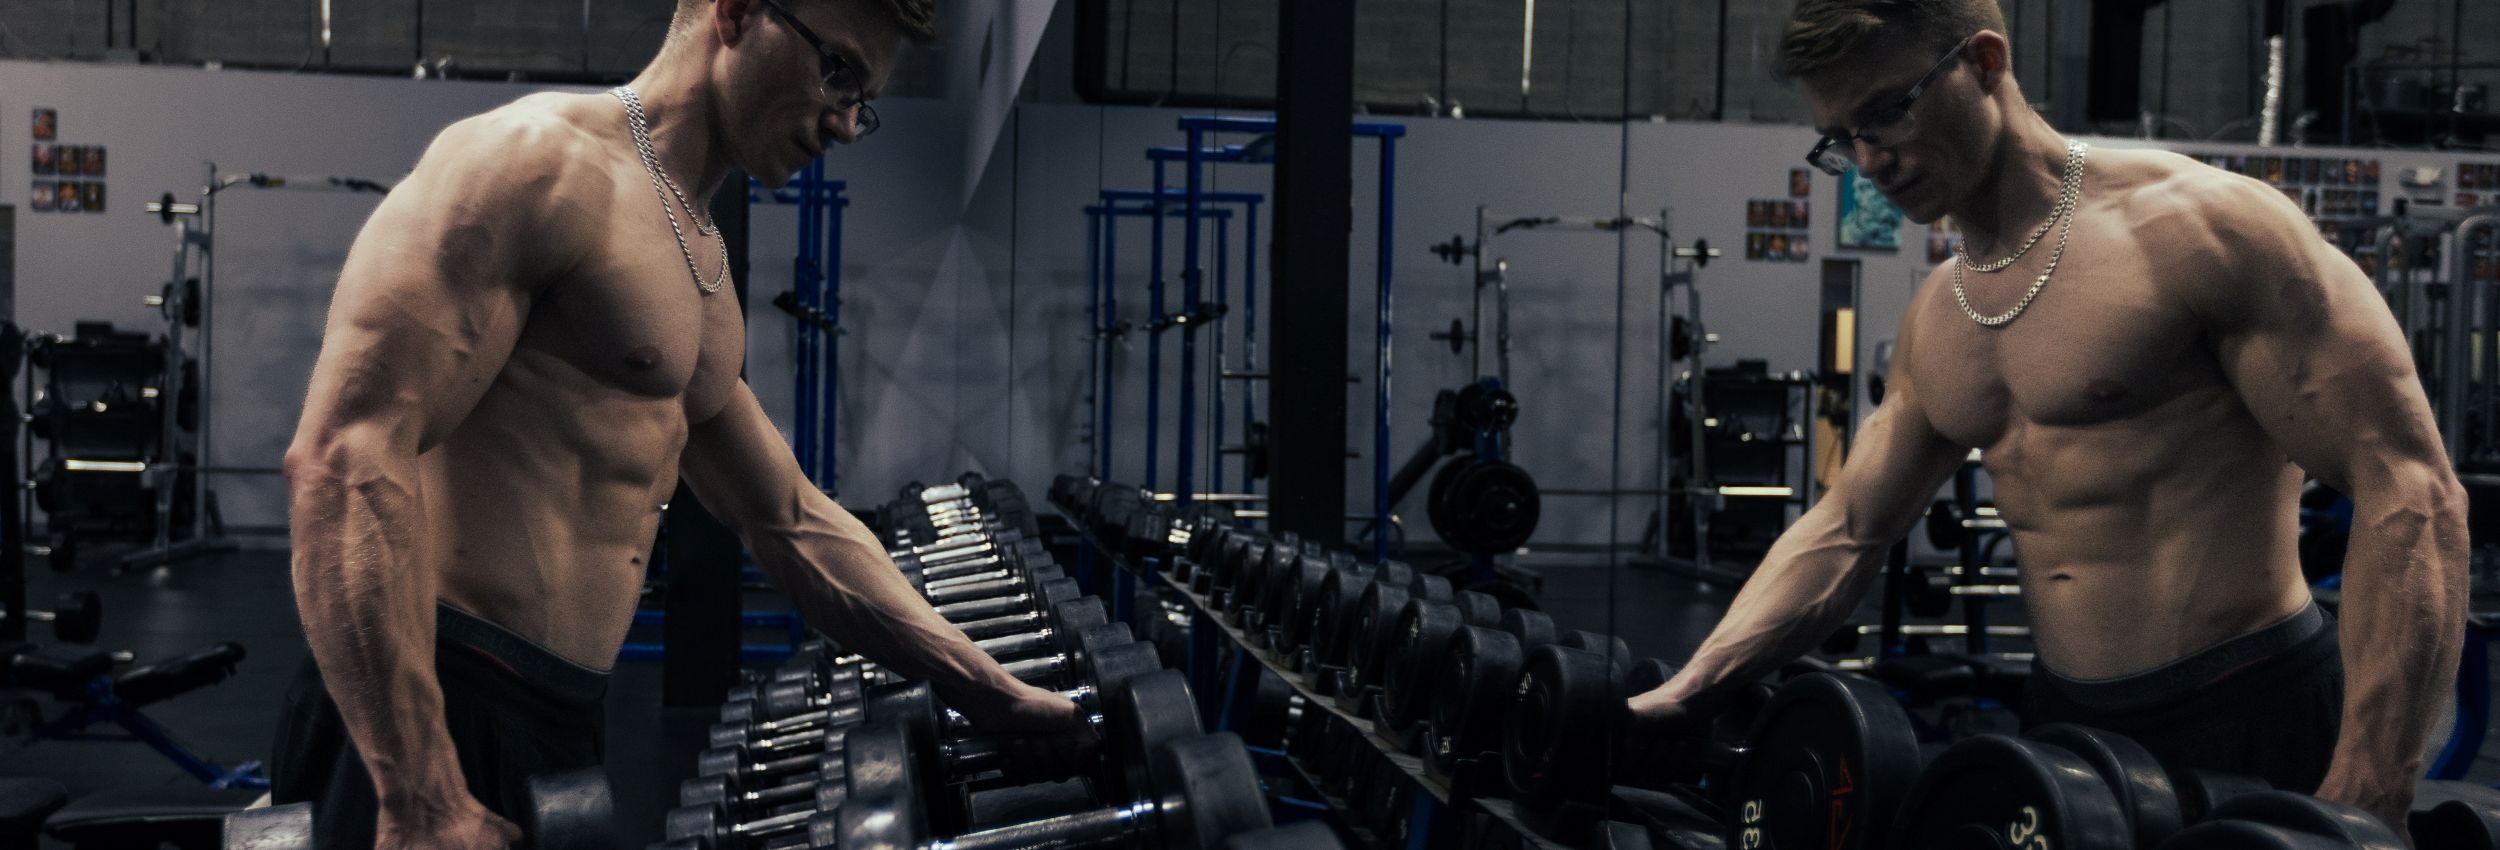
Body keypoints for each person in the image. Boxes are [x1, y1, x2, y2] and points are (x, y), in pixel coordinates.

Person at [1625, 0, 2468, 835]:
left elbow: (2412, 492)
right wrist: (1695, 685)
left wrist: (2370, 785)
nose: (1870, 158)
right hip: (2065, 725)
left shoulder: (2203, 231)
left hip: (2246, 705)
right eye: (1841, 138)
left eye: (1885, 112)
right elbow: (1847, 528)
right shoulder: (1940, 317)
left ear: (1985, 63)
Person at [275, 1, 1096, 848]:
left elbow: (787, 518)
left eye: (864, 98)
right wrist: (418, 791)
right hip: (434, 703)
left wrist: (989, 689)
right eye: (838, 72)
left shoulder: (696, 252)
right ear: (736, 14)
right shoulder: (535, 166)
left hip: (561, 718)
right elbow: (344, 458)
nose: (847, 123)